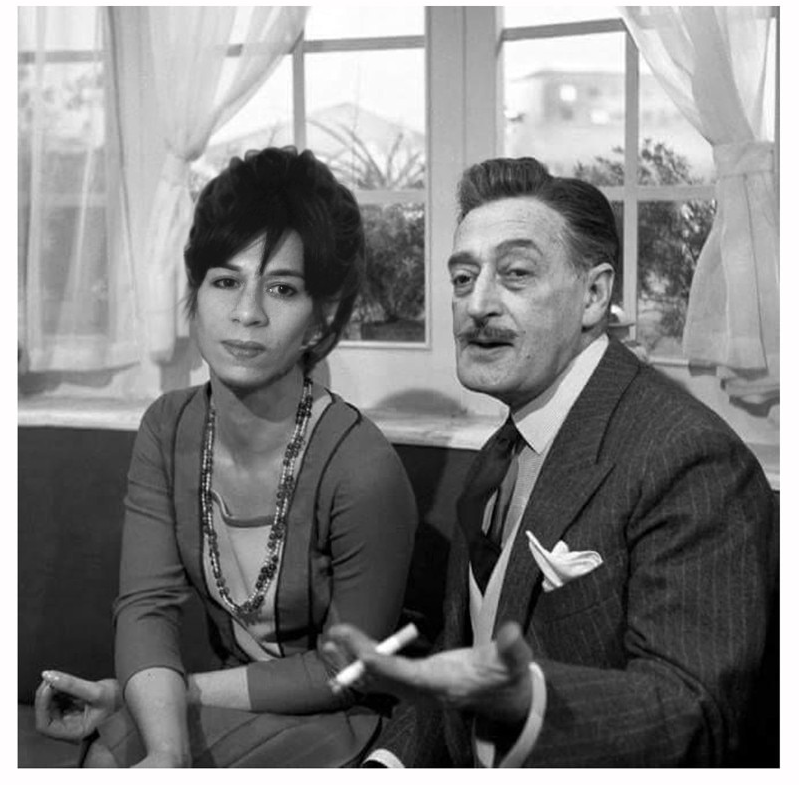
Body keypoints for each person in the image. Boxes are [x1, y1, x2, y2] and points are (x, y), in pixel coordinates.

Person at [323, 156, 777, 767]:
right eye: (463, 278)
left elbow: (693, 716)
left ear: (594, 295)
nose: (477, 304)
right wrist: (387, 767)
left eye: (515, 274)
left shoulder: (690, 460)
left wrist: (530, 699)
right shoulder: (501, 452)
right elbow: (459, 668)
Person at [34, 146, 418, 767]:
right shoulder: (167, 427)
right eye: (226, 281)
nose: (246, 313)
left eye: (282, 288)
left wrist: (167, 696)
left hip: (346, 716)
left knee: (116, 750)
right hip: (235, 700)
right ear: (196, 293)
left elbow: (346, 671)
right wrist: (164, 744)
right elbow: (145, 607)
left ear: (319, 322)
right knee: (114, 752)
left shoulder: (361, 468)